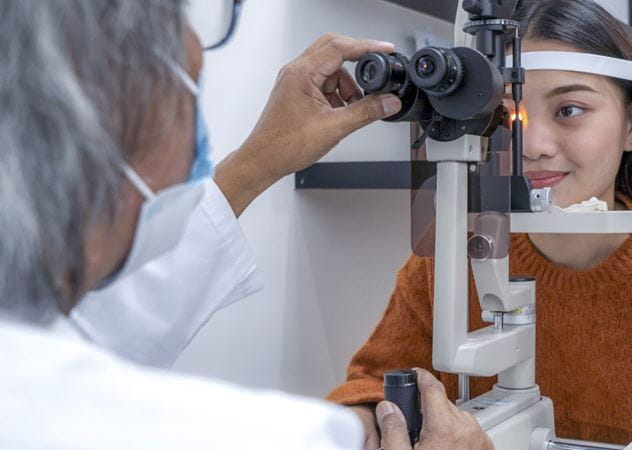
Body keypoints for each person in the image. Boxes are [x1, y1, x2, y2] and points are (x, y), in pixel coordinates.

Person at [0, 1, 492, 449]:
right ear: (121, 113)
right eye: (191, 88)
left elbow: (102, 326)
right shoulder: (292, 438)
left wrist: (255, 164)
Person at [327, 1, 632, 449]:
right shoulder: (451, 256)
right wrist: (368, 423)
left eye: (569, 110)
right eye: (508, 114)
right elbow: (371, 384)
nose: (533, 145)